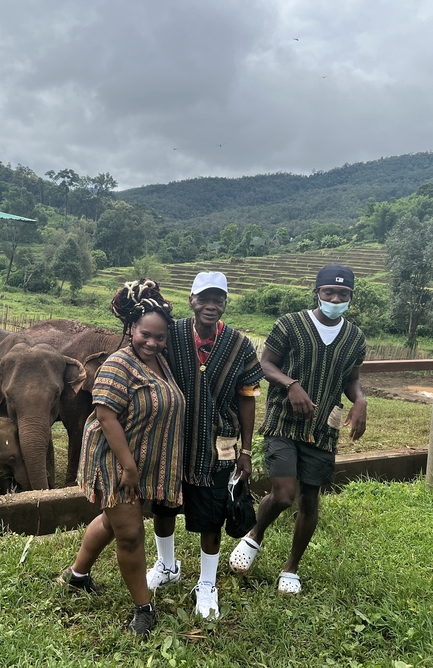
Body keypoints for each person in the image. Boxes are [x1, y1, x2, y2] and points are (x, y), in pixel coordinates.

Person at [229, 264, 367, 595]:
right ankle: (255, 534)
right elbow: (265, 364)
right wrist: (290, 384)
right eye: (329, 292)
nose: (335, 298)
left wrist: (360, 401)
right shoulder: (290, 324)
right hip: (283, 422)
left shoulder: (355, 338)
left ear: (350, 297)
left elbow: (351, 380)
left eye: (343, 294)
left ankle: (291, 567)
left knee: (310, 498)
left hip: (323, 428)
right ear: (317, 293)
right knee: (284, 493)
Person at [58, 279, 184, 638]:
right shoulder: (118, 364)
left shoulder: (160, 362)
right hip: (116, 461)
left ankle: (76, 577)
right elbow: (106, 416)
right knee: (129, 534)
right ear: (131, 329)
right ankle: (143, 609)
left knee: (112, 522)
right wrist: (128, 466)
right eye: (146, 334)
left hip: (139, 461)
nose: (153, 342)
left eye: (160, 337)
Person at [146, 271, 264, 620]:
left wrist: (246, 450)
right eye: (204, 298)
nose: (211, 305)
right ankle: (167, 567)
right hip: (172, 440)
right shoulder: (173, 334)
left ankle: (207, 584)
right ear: (192, 301)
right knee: (164, 507)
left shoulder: (240, 345)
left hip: (217, 446)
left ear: (225, 304)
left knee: (212, 516)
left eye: (218, 300)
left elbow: (247, 398)